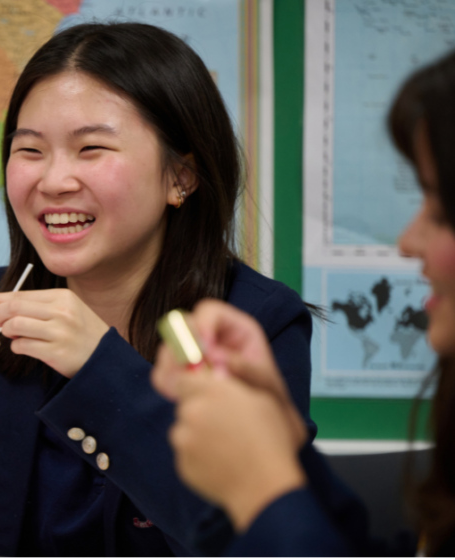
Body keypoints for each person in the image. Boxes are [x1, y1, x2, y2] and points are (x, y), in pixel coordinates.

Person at [0, 22, 315, 556]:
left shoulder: (253, 325)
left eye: (91, 147)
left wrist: (104, 372)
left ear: (180, 177)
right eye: (30, 151)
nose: (52, 181)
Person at [151, 48, 455, 556]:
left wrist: (260, 486)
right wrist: (282, 440)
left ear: (183, 176)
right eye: (29, 150)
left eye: (442, 212)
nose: (407, 240)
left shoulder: (268, 311)